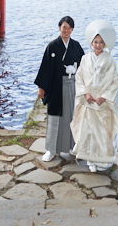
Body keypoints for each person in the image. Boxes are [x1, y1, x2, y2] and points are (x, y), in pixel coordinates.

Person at [70, 19, 118, 172]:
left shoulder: (110, 60)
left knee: (103, 132)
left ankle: (104, 160)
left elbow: (115, 81)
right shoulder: (85, 59)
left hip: (102, 102)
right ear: (91, 43)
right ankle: (91, 160)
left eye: (101, 42)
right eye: (95, 42)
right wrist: (85, 94)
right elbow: (79, 78)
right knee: (89, 132)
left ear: (105, 43)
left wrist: (105, 96)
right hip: (89, 101)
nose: (98, 45)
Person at [34, 16, 85, 162]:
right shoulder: (52, 46)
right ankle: (51, 150)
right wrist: (41, 88)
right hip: (56, 87)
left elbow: (84, 67)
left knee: (72, 117)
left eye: (69, 28)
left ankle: (72, 147)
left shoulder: (76, 46)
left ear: (72, 30)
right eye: (64, 27)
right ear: (59, 28)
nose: (66, 30)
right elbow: (45, 68)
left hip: (73, 86)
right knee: (55, 118)